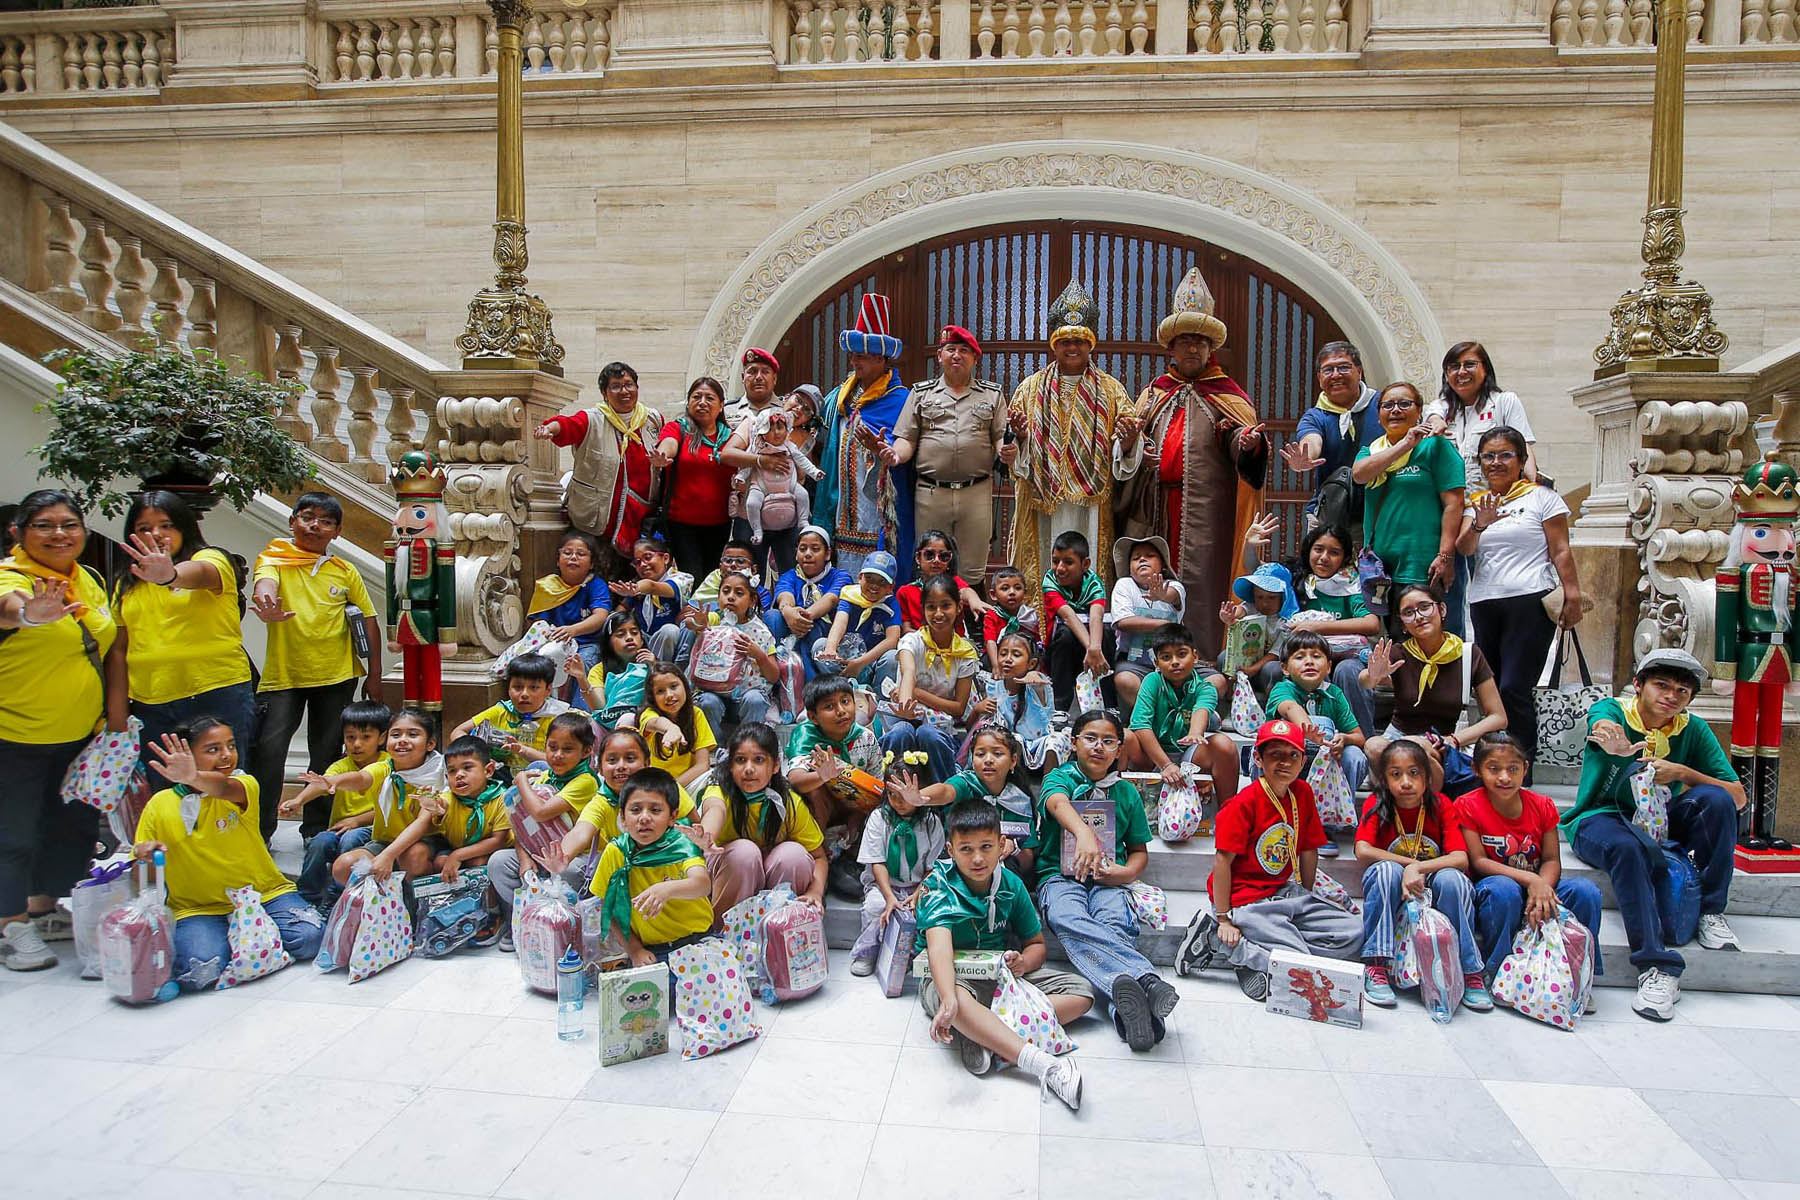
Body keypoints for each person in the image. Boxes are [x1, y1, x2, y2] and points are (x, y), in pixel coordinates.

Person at [1562, 647, 1744, 1021]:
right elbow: (1600, 721)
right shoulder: (1615, 712)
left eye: (1681, 691)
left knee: (1717, 801)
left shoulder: (1692, 728)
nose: (1671, 696)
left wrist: (1682, 773)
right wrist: (1608, 734)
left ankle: (1711, 910)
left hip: (1659, 818)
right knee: (1630, 849)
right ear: (1638, 685)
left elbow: (1739, 796)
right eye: (1661, 685)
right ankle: (1656, 965)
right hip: (1603, 817)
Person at [1118, 267, 1267, 663]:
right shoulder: (1153, 394)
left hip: (1207, 511)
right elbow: (1131, 442)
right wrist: (1137, 448)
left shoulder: (1228, 395)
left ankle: (1202, 658)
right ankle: (1153, 659)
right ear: (1172, 348)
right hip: (1155, 509)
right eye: (1185, 342)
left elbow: (1239, 441)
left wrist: (1246, 442)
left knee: (1203, 584)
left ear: (1210, 349)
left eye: (1200, 343)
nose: (1192, 351)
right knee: (1153, 582)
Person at [0, 491, 120, 970]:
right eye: (45, 525)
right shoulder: (11, 578)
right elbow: (10, 609)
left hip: (79, 737)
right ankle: (10, 925)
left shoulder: (86, 580)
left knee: (68, 829)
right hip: (15, 736)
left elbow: (112, 646)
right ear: (19, 532)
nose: (59, 535)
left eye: (69, 524)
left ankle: (43, 909)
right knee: (14, 835)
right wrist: (31, 615)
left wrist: (112, 721)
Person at [916, 799, 1089, 1109]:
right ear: (950, 850)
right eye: (966, 849)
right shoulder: (937, 885)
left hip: (1001, 976)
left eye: (986, 846)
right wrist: (951, 1001)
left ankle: (982, 1034)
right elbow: (938, 950)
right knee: (954, 999)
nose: (978, 858)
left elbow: (1036, 944)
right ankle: (1044, 1066)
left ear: (1001, 846)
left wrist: (1023, 963)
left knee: (1082, 993)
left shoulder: (1011, 884)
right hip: (949, 978)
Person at [1174, 719, 1363, 999]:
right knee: (1298, 963)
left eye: (1293, 756)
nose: (1285, 763)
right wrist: (1225, 919)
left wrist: (1305, 897)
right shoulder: (1241, 805)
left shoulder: (1303, 793)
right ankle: (1222, 939)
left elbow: (1308, 850)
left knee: (1353, 932)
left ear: (1302, 762)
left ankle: (1269, 952)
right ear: (1258, 759)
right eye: (1275, 755)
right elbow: (1222, 863)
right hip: (1244, 900)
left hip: (1282, 892)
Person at [1027, 710, 1179, 1052]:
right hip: (1060, 876)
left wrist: (1123, 874)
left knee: (1114, 925)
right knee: (1067, 917)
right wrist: (1082, 831)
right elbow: (1055, 802)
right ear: (1074, 743)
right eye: (1090, 738)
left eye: (1108, 741)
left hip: (1109, 879)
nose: (1098, 747)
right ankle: (1147, 981)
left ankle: (1125, 1014)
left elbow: (1139, 852)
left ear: (1118, 749)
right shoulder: (1060, 778)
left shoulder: (1126, 792)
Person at [132, 722, 324, 990]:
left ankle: (250, 939)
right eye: (213, 749)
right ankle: (243, 941)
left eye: (231, 746)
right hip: (198, 907)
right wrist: (146, 854)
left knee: (310, 938)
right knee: (199, 971)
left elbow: (221, 787)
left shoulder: (243, 785)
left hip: (263, 894)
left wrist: (193, 778)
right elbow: (140, 866)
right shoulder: (159, 804)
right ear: (189, 756)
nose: (226, 755)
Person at [248, 492, 382, 843]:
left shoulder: (344, 570)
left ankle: (315, 831)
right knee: (268, 753)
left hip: (337, 676)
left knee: (326, 755)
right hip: (284, 677)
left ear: (336, 532)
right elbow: (265, 585)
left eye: (325, 521)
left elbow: (369, 620)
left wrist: (376, 674)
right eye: (307, 517)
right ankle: (260, 833)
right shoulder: (274, 558)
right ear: (292, 521)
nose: (314, 525)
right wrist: (265, 602)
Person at [1007, 279, 1141, 610]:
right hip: (1042, 500)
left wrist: (1126, 442)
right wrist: (1021, 439)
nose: (1072, 347)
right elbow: (1012, 451)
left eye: (1079, 341)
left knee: (1089, 562)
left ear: (1090, 344)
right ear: (1054, 344)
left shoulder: (1111, 390)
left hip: (1091, 503)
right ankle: (1040, 633)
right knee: (1043, 567)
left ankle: (1090, 630)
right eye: (1065, 341)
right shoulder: (1029, 388)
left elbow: (1127, 447)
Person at [1456, 425, 1582, 766]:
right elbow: (1465, 548)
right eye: (1489, 456)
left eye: (1505, 455)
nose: (1496, 462)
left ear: (1522, 460)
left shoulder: (1543, 497)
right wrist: (1479, 523)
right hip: (1484, 602)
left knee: (1514, 686)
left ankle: (1520, 765)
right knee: (1490, 689)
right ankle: (1492, 763)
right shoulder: (1477, 502)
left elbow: (1561, 550)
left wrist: (1573, 594)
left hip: (1529, 601)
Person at [110, 490, 255, 778]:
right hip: (152, 704)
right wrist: (116, 712)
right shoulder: (126, 584)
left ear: (184, 527)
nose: (156, 534)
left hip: (215, 694)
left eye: (167, 525)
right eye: (144, 528)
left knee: (221, 786)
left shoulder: (211, 558)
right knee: (165, 792)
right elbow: (118, 650)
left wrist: (169, 576)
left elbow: (200, 573)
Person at [1458, 732, 1604, 984]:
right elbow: (1479, 862)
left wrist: (1543, 887)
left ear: (1525, 769)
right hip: (1495, 884)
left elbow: (1550, 859)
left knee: (1586, 891)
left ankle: (1576, 976)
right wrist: (1530, 881)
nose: (1504, 777)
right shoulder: (1468, 805)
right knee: (1503, 891)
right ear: (1477, 769)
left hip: (1539, 883)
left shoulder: (1542, 804)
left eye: (1512, 769)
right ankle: (1499, 972)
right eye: (1493, 769)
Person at [1354, 739, 1489, 1011]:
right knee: (1384, 870)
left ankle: (1470, 970)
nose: (1406, 782)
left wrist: (1419, 868)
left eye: (1414, 773)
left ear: (1427, 778)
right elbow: (1363, 850)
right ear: (1383, 779)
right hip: (1394, 890)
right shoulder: (1376, 803)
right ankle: (1376, 964)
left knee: (1453, 879)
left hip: (1432, 889)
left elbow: (1460, 858)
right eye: (1396, 774)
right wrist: (1407, 865)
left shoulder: (1440, 805)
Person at [890, 325, 1011, 586]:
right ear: (940, 355)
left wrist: (1007, 452)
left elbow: (1000, 437)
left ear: (975, 358)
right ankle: (928, 624)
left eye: (964, 350)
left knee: (972, 568)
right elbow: (907, 439)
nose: (957, 355)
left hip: (976, 492)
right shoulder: (921, 394)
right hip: (931, 494)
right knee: (931, 564)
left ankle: (971, 624)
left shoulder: (992, 394)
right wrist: (894, 456)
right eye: (951, 349)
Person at [1362, 582, 1507, 797]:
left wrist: (1455, 739)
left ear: (1441, 609)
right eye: (1408, 613)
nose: (1418, 616)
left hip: (1443, 743)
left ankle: (1425, 808)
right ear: (1403, 624)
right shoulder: (1399, 653)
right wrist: (1373, 676)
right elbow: (1364, 681)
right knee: (1374, 745)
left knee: (1414, 747)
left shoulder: (1468, 655)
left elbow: (1498, 717)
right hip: (1398, 737)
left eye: (1424, 607)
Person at [1244, 521, 1380, 735]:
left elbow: (1372, 623)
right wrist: (1249, 545)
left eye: (1334, 552)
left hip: (1343, 656)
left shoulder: (1349, 584)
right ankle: (1282, 734)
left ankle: (1362, 739)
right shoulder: (1297, 579)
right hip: (1303, 656)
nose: (1324, 557)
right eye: (1318, 549)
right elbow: (1259, 574)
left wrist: (1317, 628)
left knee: (1349, 671)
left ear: (1344, 557)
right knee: (1275, 668)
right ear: (1308, 551)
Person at [1354, 381, 1468, 637]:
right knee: (1399, 643)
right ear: (1379, 414)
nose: (1395, 410)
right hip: (1383, 570)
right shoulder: (1371, 451)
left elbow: (1454, 504)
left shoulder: (1436, 446)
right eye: (1388, 405)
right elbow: (1360, 475)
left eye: (1404, 404)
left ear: (1419, 411)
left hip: (1425, 564)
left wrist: (1446, 556)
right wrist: (1405, 444)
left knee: (1437, 638)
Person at [811, 293, 913, 576]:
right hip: (842, 499)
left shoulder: (900, 399)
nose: (855, 361)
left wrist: (883, 450)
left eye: (863, 356)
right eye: (853, 355)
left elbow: (903, 442)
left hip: (877, 503)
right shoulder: (841, 396)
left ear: (881, 359)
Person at [535, 361, 664, 575]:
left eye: (629, 384)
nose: (624, 391)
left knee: (628, 581)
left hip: (638, 520)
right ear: (605, 393)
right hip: (594, 521)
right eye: (616, 386)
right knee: (594, 580)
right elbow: (567, 426)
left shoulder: (652, 420)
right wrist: (549, 428)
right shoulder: (592, 419)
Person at [485, 711, 600, 946]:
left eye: (567, 749)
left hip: (576, 857)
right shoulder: (544, 774)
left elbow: (540, 811)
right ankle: (524, 918)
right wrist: (524, 857)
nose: (557, 755)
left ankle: (565, 927)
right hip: (540, 852)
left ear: (586, 751)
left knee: (570, 870)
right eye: (552, 747)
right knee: (498, 862)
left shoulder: (585, 781)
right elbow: (521, 821)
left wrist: (520, 782)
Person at [699, 723, 828, 914]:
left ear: (775, 765)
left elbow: (819, 857)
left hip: (774, 877)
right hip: (731, 873)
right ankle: (725, 933)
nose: (749, 769)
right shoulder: (719, 791)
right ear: (730, 765)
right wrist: (706, 835)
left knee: (794, 855)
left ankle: (781, 929)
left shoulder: (788, 802)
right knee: (744, 853)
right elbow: (714, 810)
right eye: (740, 760)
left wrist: (815, 892)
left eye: (758, 760)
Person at [588, 768, 713, 965]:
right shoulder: (617, 852)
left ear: (672, 817)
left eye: (655, 810)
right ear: (622, 817)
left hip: (698, 942)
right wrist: (635, 950)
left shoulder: (681, 844)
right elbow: (609, 907)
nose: (644, 818)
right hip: (652, 951)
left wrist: (666, 889)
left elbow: (702, 884)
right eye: (635, 810)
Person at [317, 707, 445, 892]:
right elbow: (360, 779)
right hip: (385, 841)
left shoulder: (436, 774)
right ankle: (384, 909)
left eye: (412, 734)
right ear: (386, 741)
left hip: (426, 841)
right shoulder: (384, 768)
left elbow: (423, 824)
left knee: (413, 856)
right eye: (396, 734)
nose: (402, 740)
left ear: (430, 744)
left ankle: (419, 902)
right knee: (343, 867)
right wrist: (332, 781)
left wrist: (388, 856)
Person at [356, 735, 510, 885]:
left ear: (488, 770)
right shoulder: (449, 797)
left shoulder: (502, 797)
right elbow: (439, 806)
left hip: (492, 851)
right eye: (452, 771)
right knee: (441, 862)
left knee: (478, 861)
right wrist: (431, 806)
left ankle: (491, 906)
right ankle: (437, 902)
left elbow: (498, 840)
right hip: (458, 849)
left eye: (467, 768)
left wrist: (457, 855)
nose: (459, 775)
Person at [1123, 623, 1237, 819]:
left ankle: (1229, 816)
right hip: (1151, 754)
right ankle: (1114, 807)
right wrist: (1166, 765)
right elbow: (1140, 725)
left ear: (1195, 656)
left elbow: (1202, 709)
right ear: (1157, 663)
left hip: (1188, 754)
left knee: (1224, 745)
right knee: (1124, 737)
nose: (1174, 662)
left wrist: (1195, 733)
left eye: (1181, 654)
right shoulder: (1152, 681)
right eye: (1166, 657)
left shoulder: (1205, 688)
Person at [283, 700, 389, 911]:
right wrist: (298, 800)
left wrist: (356, 820)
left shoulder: (387, 764)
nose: (357, 744)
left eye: (365, 737)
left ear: (382, 738)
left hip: (371, 830)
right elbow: (322, 784)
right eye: (350, 737)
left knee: (351, 838)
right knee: (320, 842)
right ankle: (307, 895)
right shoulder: (340, 765)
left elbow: (383, 809)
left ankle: (335, 897)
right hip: (339, 828)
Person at [847, 767, 944, 976]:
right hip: (884, 884)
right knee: (876, 906)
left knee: (927, 907)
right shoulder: (878, 818)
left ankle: (912, 954)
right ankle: (867, 952)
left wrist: (917, 894)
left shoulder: (931, 822)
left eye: (904, 796)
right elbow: (877, 863)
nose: (898, 802)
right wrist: (890, 897)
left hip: (920, 885)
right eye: (892, 795)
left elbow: (932, 868)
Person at [885, 575, 980, 784]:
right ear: (923, 609)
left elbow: (958, 708)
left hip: (942, 728)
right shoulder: (911, 641)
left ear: (958, 608)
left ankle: (944, 800)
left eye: (945, 606)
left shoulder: (964, 652)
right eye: (931, 607)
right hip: (905, 716)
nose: (938, 614)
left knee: (929, 734)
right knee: (901, 732)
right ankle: (889, 794)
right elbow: (908, 670)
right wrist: (905, 704)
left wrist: (917, 693)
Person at [1281, 340, 1383, 532]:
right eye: (1328, 370)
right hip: (1331, 515)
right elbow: (1311, 441)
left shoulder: (1383, 405)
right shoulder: (1315, 416)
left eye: (1343, 367)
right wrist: (1304, 459)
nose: (1336, 375)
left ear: (1359, 371)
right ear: (1319, 378)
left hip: (1381, 514)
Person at [1267, 628, 1370, 800]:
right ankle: (1278, 803)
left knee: (1354, 755)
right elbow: (1291, 708)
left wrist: (1344, 739)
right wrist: (1310, 731)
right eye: (1299, 657)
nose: (1309, 662)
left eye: (1316, 656)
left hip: (1326, 765)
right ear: (1285, 668)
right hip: (1287, 761)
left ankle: (1341, 811)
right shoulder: (1282, 689)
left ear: (1329, 667)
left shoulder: (1334, 693)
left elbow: (1359, 737)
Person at [653, 376, 736, 575]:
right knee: (692, 576)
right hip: (681, 525)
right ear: (688, 403)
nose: (702, 403)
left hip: (720, 525)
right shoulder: (678, 428)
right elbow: (669, 444)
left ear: (721, 405)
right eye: (696, 397)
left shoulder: (731, 437)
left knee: (712, 578)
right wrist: (663, 455)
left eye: (709, 398)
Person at [785, 673, 884, 836]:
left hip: (854, 805)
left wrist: (857, 816)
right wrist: (822, 776)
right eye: (829, 707)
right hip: (820, 804)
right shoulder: (806, 737)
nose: (841, 711)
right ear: (813, 717)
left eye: (845, 702)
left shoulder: (865, 737)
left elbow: (876, 785)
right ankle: (818, 849)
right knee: (815, 791)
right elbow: (796, 781)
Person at [526, 530, 612, 702]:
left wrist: (572, 630)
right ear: (558, 560)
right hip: (554, 643)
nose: (573, 557)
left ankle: (580, 716)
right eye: (567, 553)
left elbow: (600, 616)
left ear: (592, 562)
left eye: (581, 554)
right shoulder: (548, 586)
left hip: (586, 644)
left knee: (584, 662)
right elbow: (537, 622)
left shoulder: (595, 585)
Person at [691, 571, 780, 735]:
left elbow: (774, 676)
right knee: (707, 702)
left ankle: (746, 744)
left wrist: (758, 655)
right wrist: (698, 623)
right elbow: (692, 624)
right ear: (718, 597)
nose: (731, 597)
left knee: (756, 700)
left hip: (747, 696)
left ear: (752, 600)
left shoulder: (761, 632)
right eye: (726, 592)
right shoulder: (714, 620)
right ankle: (715, 749)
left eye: (739, 593)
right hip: (714, 693)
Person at [451, 653, 569, 775]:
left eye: (533, 688)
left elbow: (562, 761)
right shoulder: (502, 710)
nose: (524, 694)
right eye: (517, 687)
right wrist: (479, 756)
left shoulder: (558, 719)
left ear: (548, 690)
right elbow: (458, 732)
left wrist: (523, 750)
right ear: (508, 688)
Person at [1108, 534, 1185, 718]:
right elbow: (1124, 622)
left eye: (1149, 555)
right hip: (1134, 663)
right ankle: (1167, 717)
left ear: (1163, 565)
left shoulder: (1174, 586)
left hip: (1173, 663)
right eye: (1136, 558)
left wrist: (1162, 595)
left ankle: (1180, 714)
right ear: (1130, 567)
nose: (1142, 559)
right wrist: (1164, 624)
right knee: (1124, 680)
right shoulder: (1124, 585)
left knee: (1217, 681)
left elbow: (1172, 596)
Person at [1440, 341, 1537, 485]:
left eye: (1469, 364)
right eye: (1454, 367)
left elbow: (1523, 449)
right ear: (1447, 375)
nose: (1461, 372)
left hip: (1494, 499)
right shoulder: (1439, 409)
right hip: (1450, 502)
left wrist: (1533, 485)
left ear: (1485, 369)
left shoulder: (1504, 402)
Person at [768, 525, 851, 679]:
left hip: (824, 636)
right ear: (796, 554)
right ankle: (778, 673)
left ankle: (811, 685)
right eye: (803, 549)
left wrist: (803, 618)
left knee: (811, 626)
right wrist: (788, 611)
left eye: (815, 549)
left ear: (827, 554)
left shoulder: (841, 576)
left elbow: (831, 599)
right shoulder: (790, 575)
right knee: (772, 616)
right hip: (791, 628)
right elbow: (784, 596)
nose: (808, 554)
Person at [1042, 529, 1111, 713]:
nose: (1060, 568)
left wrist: (1095, 648)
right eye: (1056, 561)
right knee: (1065, 635)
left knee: (1107, 634)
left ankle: (1110, 706)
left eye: (1068, 562)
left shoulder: (1094, 583)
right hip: (1061, 652)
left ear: (1085, 564)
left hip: (1090, 650)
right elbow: (1068, 616)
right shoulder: (1050, 581)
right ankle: (1060, 708)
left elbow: (1096, 615)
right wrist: (1092, 648)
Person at [974, 630, 1062, 774]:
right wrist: (978, 709)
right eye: (1003, 654)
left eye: (1016, 654)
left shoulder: (1038, 685)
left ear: (1031, 663)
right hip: (1009, 749)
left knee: (1055, 741)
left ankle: (1050, 786)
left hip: (1040, 744)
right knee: (1014, 739)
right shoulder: (991, 687)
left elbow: (1037, 679)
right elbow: (974, 726)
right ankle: (1015, 782)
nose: (1008, 659)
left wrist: (1035, 676)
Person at [735, 405, 823, 548]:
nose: (776, 433)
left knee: (803, 495)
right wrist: (741, 476)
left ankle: (803, 521)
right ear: (762, 432)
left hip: (788, 485)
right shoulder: (758, 447)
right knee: (752, 503)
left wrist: (814, 472)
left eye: (780, 428)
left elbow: (802, 460)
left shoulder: (789, 446)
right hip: (762, 486)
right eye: (770, 428)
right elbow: (748, 463)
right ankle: (757, 530)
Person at [816, 550, 902, 688]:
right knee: (820, 645)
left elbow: (892, 639)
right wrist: (831, 649)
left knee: (893, 657)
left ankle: (877, 699)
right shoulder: (849, 595)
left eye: (882, 582)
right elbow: (840, 623)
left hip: (872, 660)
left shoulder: (891, 604)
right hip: (846, 656)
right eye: (869, 578)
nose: (874, 586)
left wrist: (861, 663)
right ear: (860, 577)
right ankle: (838, 688)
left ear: (890, 587)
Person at [609, 536, 689, 664]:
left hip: (673, 646)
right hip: (644, 641)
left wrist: (636, 589)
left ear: (665, 558)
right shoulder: (638, 587)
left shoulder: (682, 579)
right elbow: (622, 608)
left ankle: (661, 672)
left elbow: (652, 587)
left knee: (669, 630)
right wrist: (614, 622)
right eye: (637, 562)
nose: (643, 565)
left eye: (648, 557)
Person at [638, 662, 715, 790]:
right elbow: (656, 723)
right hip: (654, 786)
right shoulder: (649, 714)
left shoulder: (696, 714)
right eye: (660, 691)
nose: (669, 695)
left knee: (712, 778)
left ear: (684, 686)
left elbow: (702, 765)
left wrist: (672, 787)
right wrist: (671, 728)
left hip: (684, 783)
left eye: (674, 686)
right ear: (653, 698)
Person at [894, 529, 988, 635]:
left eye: (943, 556)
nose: (936, 560)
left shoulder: (954, 583)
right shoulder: (905, 592)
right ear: (918, 558)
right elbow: (906, 630)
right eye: (929, 555)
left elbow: (966, 591)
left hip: (955, 646)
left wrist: (974, 600)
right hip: (920, 644)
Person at [573, 611, 655, 729]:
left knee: (628, 719)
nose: (629, 638)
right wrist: (581, 678)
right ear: (609, 643)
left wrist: (654, 667)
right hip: (611, 726)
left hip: (647, 723)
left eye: (634, 633)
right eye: (621, 634)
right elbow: (600, 707)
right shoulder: (599, 670)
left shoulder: (654, 663)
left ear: (642, 640)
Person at [980, 564, 1040, 674]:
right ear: (993, 595)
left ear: (1025, 593)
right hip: (997, 656)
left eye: (1017, 588)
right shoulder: (993, 615)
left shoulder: (1029, 615)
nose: (1012, 592)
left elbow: (1036, 643)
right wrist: (995, 666)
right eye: (1005, 588)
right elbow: (990, 641)